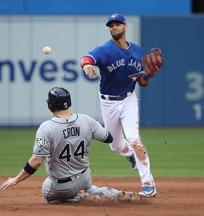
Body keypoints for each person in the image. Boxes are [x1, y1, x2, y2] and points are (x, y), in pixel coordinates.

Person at [0, 87, 139, 203]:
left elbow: (36, 161)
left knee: (47, 193)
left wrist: (16, 179)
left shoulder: (46, 128)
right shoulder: (86, 120)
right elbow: (109, 138)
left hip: (61, 186)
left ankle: (77, 198)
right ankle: (110, 194)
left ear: (50, 105)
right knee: (88, 186)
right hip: (85, 179)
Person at [80, 13, 162, 197]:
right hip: (108, 102)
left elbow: (141, 81)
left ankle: (148, 184)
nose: (113, 27)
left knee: (134, 139)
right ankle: (130, 155)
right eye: (111, 25)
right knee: (116, 146)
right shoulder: (105, 50)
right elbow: (86, 58)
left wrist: (148, 74)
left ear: (125, 27)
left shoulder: (137, 50)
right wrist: (86, 66)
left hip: (128, 99)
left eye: (117, 24)